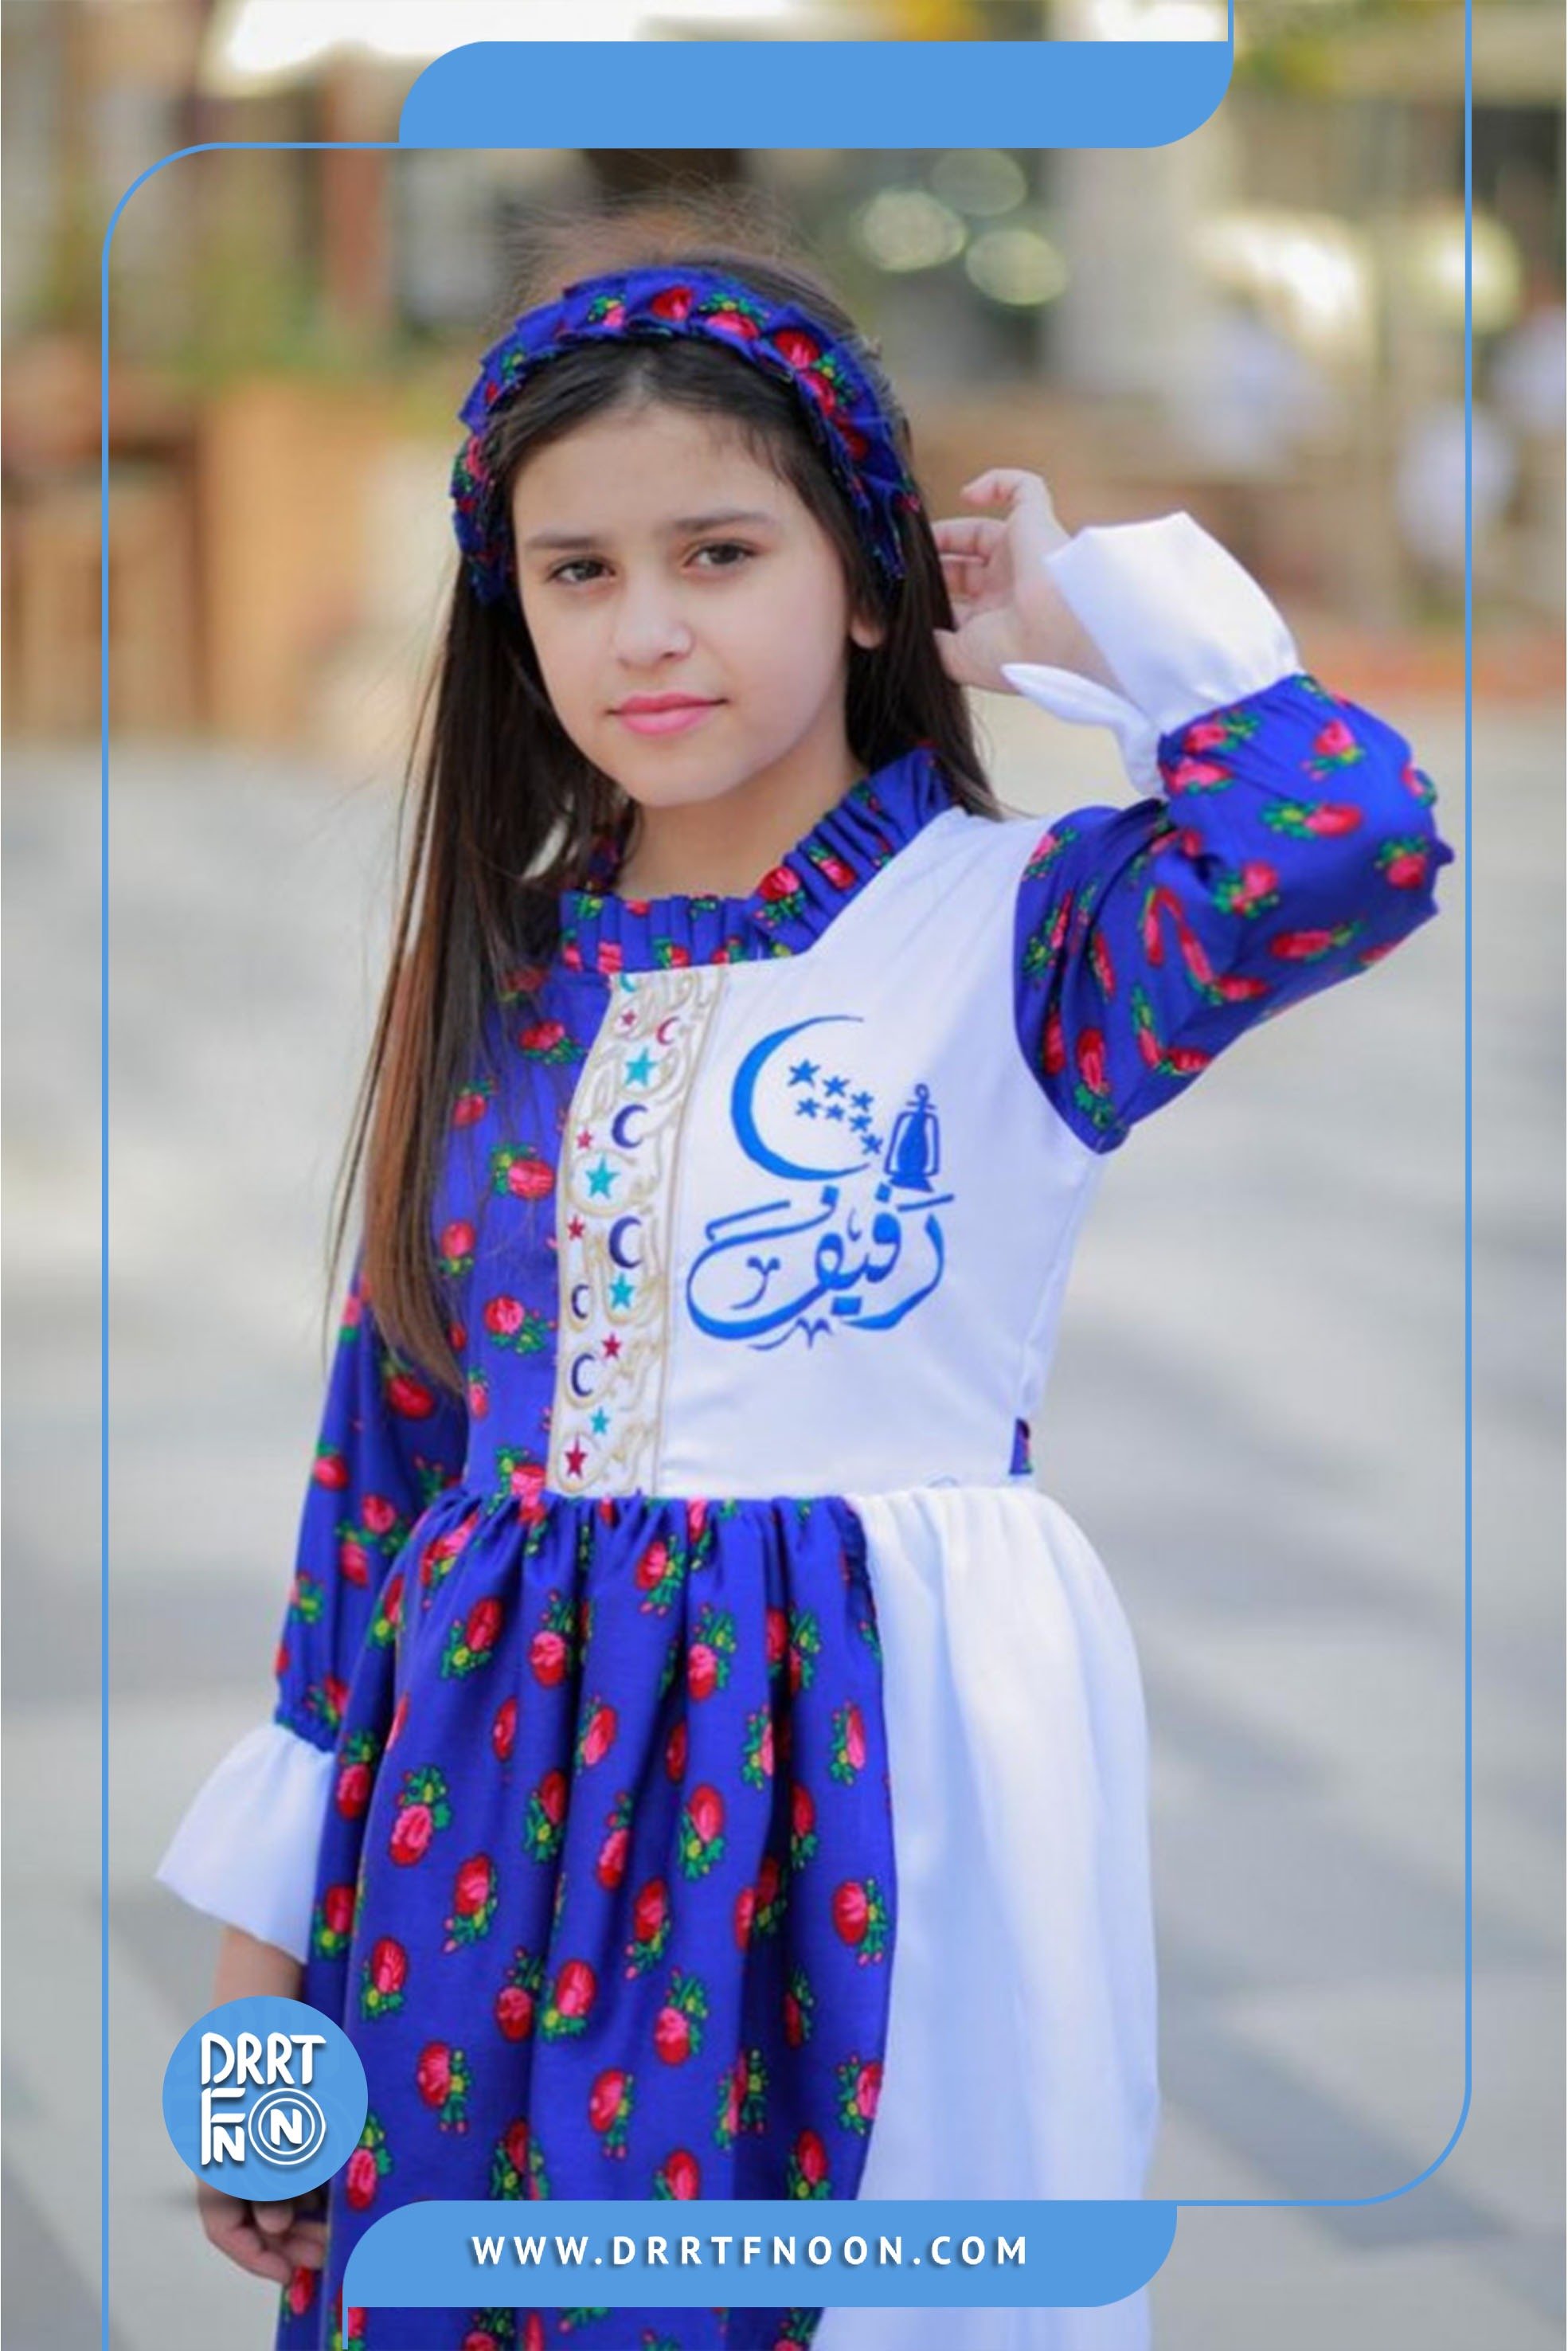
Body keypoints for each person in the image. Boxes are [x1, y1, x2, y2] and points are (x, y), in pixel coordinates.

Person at [154, 219, 1453, 2351]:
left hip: (878, 1806)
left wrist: (1100, 623)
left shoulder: (1028, 932)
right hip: (479, 1832)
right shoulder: (502, 977)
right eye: (578, 572)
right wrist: (255, 2046)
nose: (646, 629)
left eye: (719, 553)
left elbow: (1349, 847)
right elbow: (372, 1503)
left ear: (863, 580)